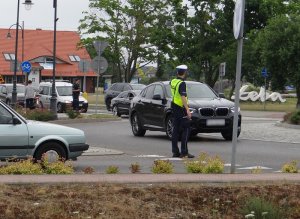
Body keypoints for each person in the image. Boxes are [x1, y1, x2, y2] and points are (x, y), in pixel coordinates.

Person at [170, 64, 195, 158]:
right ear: (185, 73)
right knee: (187, 128)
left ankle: (175, 152)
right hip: (181, 107)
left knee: (175, 129)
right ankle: (184, 152)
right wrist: (187, 110)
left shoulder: (173, 81)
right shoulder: (182, 83)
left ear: (177, 72)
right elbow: (183, 96)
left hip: (174, 105)